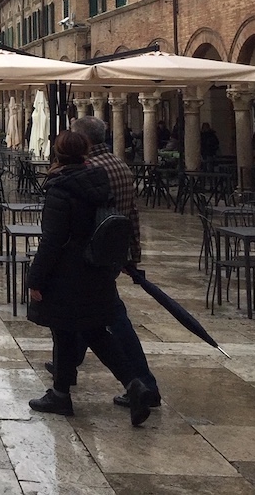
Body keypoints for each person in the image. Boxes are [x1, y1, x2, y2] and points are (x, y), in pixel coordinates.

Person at [26, 130, 152, 427]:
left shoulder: (61, 188)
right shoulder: (98, 182)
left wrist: (36, 278)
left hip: (68, 273)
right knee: (95, 332)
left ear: (58, 154)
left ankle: (60, 394)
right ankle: (135, 385)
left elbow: (53, 240)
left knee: (64, 330)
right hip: (95, 269)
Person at [68, 116, 162, 409]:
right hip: (110, 254)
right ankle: (66, 366)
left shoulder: (91, 171)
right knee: (82, 316)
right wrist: (132, 252)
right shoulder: (120, 165)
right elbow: (131, 213)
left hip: (92, 258)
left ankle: (144, 384)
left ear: (83, 141)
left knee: (113, 320)